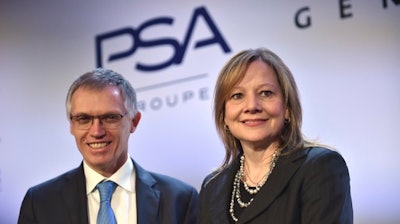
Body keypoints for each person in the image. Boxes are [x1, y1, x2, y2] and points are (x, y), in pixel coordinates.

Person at [18, 68, 198, 224]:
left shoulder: (180, 199)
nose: (96, 131)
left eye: (110, 117)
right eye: (83, 119)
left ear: (134, 122)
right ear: (71, 126)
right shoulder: (40, 203)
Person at [197, 48, 353, 223]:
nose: (252, 106)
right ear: (224, 115)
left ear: (287, 108)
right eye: (237, 95)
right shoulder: (212, 186)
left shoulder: (319, 168)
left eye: (266, 93)